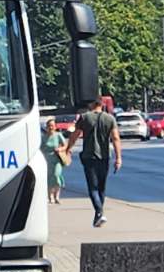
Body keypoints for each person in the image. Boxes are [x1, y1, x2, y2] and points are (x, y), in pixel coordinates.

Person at [66, 96, 120, 227]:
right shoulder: (110, 118)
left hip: (89, 156)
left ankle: (99, 212)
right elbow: (116, 138)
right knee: (101, 187)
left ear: (91, 105)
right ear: (102, 105)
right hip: (105, 156)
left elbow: (75, 135)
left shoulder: (84, 118)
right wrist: (118, 158)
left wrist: (68, 148)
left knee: (93, 187)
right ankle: (99, 215)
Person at [42, 119, 69, 204]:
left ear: (55, 127)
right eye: (49, 126)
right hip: (47, 160)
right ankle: (50, 196)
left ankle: (57, 196)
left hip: (56, 159)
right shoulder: (43, 137)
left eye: (52, 125)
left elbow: (65, 145)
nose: (50, 127)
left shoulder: (58, 135)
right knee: (49, 178)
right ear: (46, 127)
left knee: (56, 175)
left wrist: (60, 149)